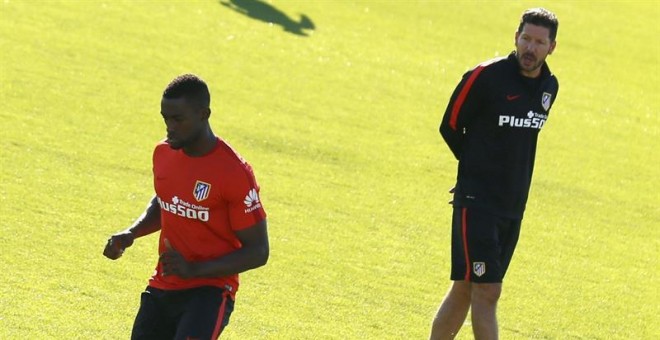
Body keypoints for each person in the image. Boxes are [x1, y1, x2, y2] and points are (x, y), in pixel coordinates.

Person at [103, 74, 269, 339]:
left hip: (209, 290)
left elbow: (258, 251)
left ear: (204, 114)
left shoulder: (234, 172)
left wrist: (195, 270)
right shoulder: (163, 153)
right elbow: (166, 200)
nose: (170, 127)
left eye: (178, 119)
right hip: (164, 284)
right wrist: (131, 233)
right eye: (165, 118)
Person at [430, 8, 559, 340]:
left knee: (465, 288)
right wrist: (473, 173)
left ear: (551, 47)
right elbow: (451, 126)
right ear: (516, 38)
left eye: (539, 42)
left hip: (513, 207)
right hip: (478, 203)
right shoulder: (485, 76)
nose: (530, 48)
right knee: (488, 292)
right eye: (526, 39)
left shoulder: (549, 87)